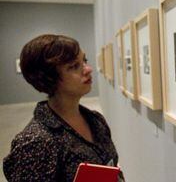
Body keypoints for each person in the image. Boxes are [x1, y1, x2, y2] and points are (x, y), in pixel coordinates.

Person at [3, 34, 124, 181]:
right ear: (49, 77)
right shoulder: (35, 142)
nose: (88, 69)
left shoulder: (96, 120)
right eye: (74, 66)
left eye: (84, 61)